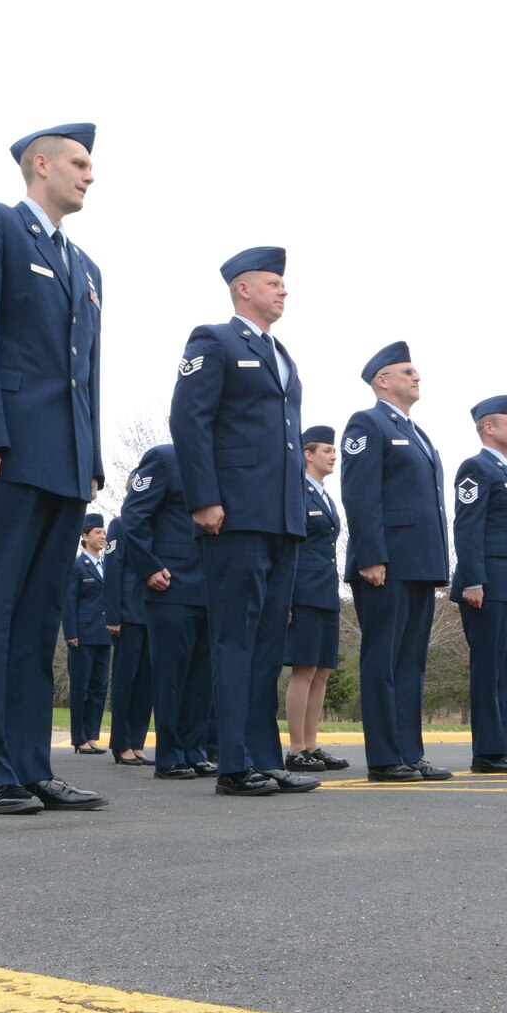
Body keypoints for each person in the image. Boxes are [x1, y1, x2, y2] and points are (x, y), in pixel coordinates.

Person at [0, 124, 108, 815]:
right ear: (39, 165)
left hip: (63, 464)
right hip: (2, 456)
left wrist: (92, 457)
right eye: (78, 163)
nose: (89, 176)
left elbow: (86, 373)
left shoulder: (86, 267)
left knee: (39, 622)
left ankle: (33, 765)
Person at [168, 247, 319, 798]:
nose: (283, 291)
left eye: (284, 283)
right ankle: (233, 762)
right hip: (233, 514)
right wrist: (204, 499)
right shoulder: (214, 340)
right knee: (234, 639)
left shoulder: (282, 355)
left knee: (264, 646)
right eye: (273, 282)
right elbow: (189, 418)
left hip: (281, 518)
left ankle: (263, 756)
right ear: (243, 289)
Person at [340, 342, 453, 783]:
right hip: (385, 562)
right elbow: (360, 492)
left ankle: (410, 751)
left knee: (411, 663)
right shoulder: (367, 423)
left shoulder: (419, 432)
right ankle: (386, 757)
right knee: (382, 660)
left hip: (419, 563)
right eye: (409, 371)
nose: (417, 376)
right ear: (382, 380)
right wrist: (371, 555)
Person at [452, 395, 507, 773]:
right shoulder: (475, 468)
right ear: (490, 428)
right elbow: (467, 526)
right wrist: (473, 579)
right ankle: (488, 752)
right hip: (487, 587)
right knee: (489, 670)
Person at [121, 443, 216, 779]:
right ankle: (170, 755)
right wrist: (148, 566)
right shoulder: (164, 459)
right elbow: (133, 515)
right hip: (170, 583)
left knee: (202, 678)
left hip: (211, 585)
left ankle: (195, 749)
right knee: (171, 675)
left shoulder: (220, 461)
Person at [283, 426, 349, 773]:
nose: (332, 455)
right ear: (307, 454)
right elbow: (290, 547)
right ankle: (295, 749)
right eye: (326, 449)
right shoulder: (296, 490)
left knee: (322, 670)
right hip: (303, 591)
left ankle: (311, 744)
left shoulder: (324, 495)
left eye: (333, 450)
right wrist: (288, 599)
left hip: (325, 590)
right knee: (304, 668)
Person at [103, 510, 155, 766]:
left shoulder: (158, 524)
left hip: (152, 611)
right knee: (126, 679)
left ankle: (137, 741)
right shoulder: (120, 524)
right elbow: (112, 569)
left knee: (147, 682)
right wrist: (113, 614)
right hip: (128, 612)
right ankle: (121, 743)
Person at [63, 512, 113, 754]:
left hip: (104, 635)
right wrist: (71, 633)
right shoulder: (76, 566)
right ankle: (79, 738)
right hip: (81, 637)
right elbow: (68, 602)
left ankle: (92, 735)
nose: (103, 536)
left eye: (104, 532)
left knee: (99, 687)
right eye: (98, 532)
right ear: (85, 536)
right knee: (80, 688)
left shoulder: (106, 566)